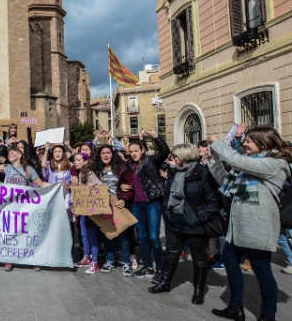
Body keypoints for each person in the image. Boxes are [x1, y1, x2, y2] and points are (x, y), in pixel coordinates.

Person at [207, 126, 292, 321]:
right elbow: (226, 181)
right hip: (238, 226)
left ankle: (267, 315)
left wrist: (217, 142)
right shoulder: (248, 165)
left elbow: (236, 160)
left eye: (248, 140)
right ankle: (235, 308)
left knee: (262, 270)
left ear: (263, 144)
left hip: (258, 227)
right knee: (231, 263)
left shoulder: (275, 164)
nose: (244, 143)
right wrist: (215, 159)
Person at [148, 144, 220, 305]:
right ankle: (165, 283)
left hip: (195, 225)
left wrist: (197, 218)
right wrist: (168, 211)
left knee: (199, 258)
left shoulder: (203, 174)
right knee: (171, 254)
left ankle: (199, 291)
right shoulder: (174, 173)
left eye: (174, 156)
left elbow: (213, 203)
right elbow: (167, 195)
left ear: (184, 158)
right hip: (175, 222)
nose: (171, 159)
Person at [0, 147, 48, 272]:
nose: (10, 154)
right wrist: (0, 159)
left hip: (25, 205)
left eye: (13, 152)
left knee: (27, 232)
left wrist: (57, 186)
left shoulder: (28, 170)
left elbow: (41, 184)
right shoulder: (7, 167)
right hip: (10, 206)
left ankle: (33, 259)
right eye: (9, 153)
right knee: (10, 232)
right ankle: (9, 260)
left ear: (20, 155)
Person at [127, 129, 170, 283]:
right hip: (136, 205)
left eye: (136, 151)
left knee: (153, 237)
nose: (133, 153)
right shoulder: (129, 165)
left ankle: (159, 269)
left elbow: (165, 151)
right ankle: (147, 267)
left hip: (152, 203)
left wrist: (155, 136)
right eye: (131, 151)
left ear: (142, 150)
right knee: (142, 237)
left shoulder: (151, 160)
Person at [92, 145, 135, 276]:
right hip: (103, 207)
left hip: (118, 205)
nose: (105, 155)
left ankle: (126, 262)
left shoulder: (121, 169)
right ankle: (110, 261)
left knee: (122, 235)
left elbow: (130, 187)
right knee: (108, 235)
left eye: (108, 153)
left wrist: (124, 199)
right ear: (99, 155)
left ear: (112, 154)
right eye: (103, 153)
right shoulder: (96, 170)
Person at [69, 152, 103, 274]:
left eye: (79, 160)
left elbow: (101, 185)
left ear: (85, 162)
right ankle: (86, 257)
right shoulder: (79, 173)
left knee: (91, 236)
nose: (76, 162)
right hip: (83, 211)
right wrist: (74, 204)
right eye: (75, 160)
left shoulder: (89, 173)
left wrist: (94, 184)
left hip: (91, 210)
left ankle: (95, 262)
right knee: (84, 235)